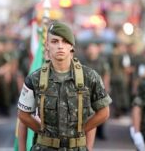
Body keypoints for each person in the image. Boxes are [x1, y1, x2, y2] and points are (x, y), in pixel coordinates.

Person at [17, 21, 112, 150]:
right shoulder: (34, 79)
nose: (60, 46)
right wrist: (44, 132)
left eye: (65, 41)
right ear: (47, 45)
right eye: (55, 41)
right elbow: (23, 115)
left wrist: (79, 133)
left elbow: (103, 112)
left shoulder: (89, 77)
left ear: (71, 46)